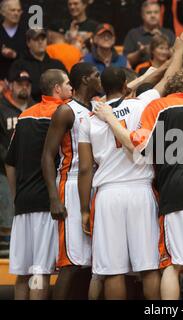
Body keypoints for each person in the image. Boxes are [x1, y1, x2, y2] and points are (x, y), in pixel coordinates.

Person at [94, 44, 183, 300]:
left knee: (173, 265)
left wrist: (110, 118)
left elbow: (136, 143)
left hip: (176, 190)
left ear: (172, 89)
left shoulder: (159, 106)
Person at [5, 69, 72, 300]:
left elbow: (10, 163)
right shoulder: (63, 114)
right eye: (67, 84)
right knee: (40, 272)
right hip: (48, 205)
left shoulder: (23, 117)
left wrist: (16, 196)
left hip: (23, 204)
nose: (70, 88)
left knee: (22, 274)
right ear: (57, 89)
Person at [41, 63, 102, 300]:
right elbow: (47, 155)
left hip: (95, 183)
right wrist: (53, 198)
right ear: (86, 80)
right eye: (97, 76)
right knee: (71, 262)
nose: (100, 79)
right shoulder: (66, 111)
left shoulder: (98, 107)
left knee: (92, 263)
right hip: (72, 184)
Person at [0, 70, 33, 257]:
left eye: (27, 83)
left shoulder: (36, 107)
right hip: (4, 169)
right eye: (20, 83)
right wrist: (10, 158)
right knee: (7, 200)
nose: (24, 86)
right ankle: (7, 241)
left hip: (31, 171)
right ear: (10, 85)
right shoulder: (1, 108)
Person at [9, 29, 67, 101]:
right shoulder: (19, 65)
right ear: (28, 43)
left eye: (43, 39)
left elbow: (68, 87)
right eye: (36, 39)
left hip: (57, 107)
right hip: (29, 106)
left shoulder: (57, 64)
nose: (40, 42)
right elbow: (14, 91)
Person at [123, 1, 175, 69]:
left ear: (160, 14)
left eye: (156, 12)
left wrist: (162, 42)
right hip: (140, 74)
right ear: (143, 15)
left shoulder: (169, 33)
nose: (153, 15)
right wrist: (140, 52)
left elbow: (177, 56)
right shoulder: (133, 34)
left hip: (166, 72)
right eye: (149, 13)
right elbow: (126, 60)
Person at [0, 0, 27, 80]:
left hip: (21, 82)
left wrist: (15, 55)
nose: (16, 13)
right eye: (12, 10)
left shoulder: (26, 32)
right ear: (2, 12)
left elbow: (31, 57)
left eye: (19, 10)